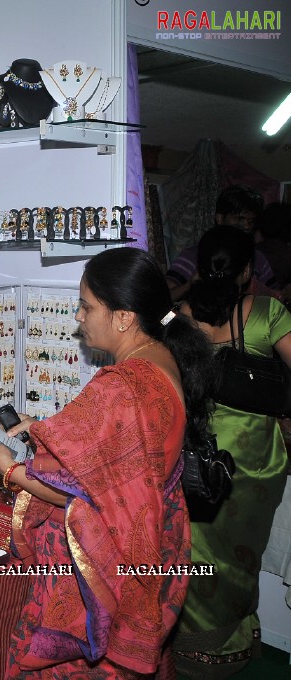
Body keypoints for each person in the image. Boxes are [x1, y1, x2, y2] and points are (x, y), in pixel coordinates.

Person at [0, 247, 216, 678]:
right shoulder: (160, 361)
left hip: (109, 557)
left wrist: (7, 469)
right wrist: (40, 428)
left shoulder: (121, 387)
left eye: (87, 307)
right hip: (153, 544)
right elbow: (116, 459)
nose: (79, 318)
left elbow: (80, 489)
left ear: (123, 317)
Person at [174, 225, 291, 678]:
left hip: (197, 456)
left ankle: (190, 646)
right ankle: (231, 641)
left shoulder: (181, 314)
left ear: (202, 267)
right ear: (247, 271)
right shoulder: (267, 312)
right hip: (257, 462)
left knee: (195, 551)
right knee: (245, 555)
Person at [166, 184, 277, 301]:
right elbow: (163, 301)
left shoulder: (258, 258)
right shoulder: (193, 256)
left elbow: (274, 299)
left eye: (251, 221)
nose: (246, 226)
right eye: (239, 219)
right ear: (220, 218)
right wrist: (190, 285)